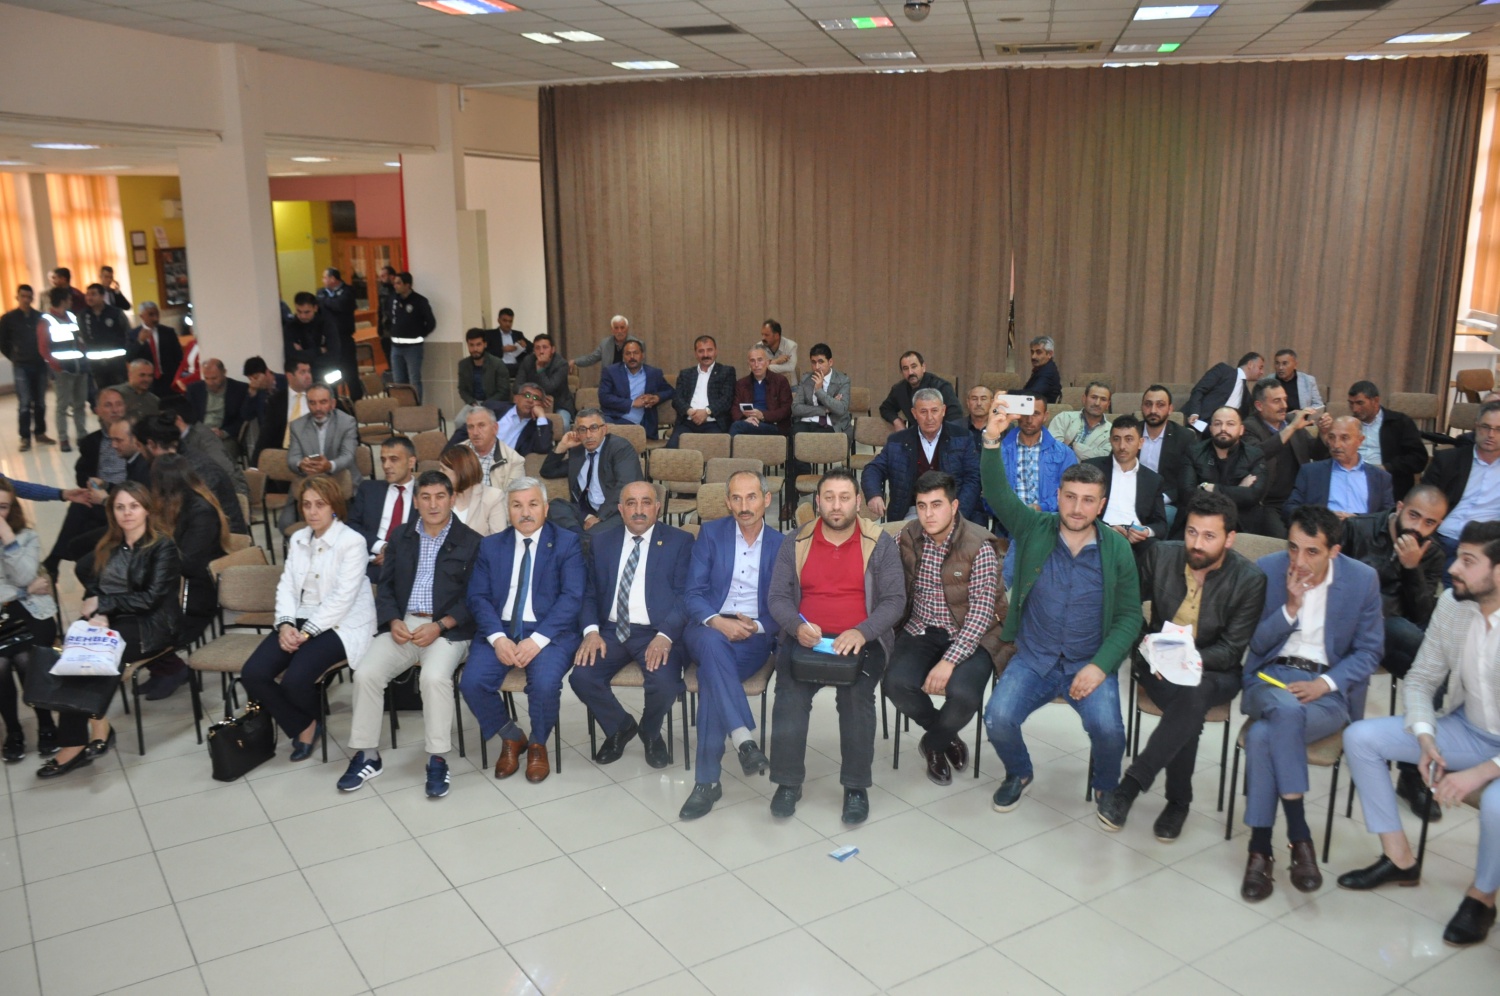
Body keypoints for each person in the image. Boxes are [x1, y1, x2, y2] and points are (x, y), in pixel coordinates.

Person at [1338, 520, 1500, 947]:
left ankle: (1482, 897)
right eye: (1458, 557)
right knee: (1361, 739)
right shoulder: (1454, 604)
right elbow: (1422, 678)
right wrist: (1426, 738)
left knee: (1496, 805)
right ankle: (1400, 859)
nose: (1453, 569)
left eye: (1468, 561)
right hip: (1469, 729)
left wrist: (1481, 772)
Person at [978, 399, 1140, 812]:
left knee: (1110, 732)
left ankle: (1105, 786)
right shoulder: (1035, 527)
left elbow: (1129, 617)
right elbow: (997, 494)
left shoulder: (1117, 549)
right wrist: (992, 439)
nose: (1077, 508)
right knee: (997, 718)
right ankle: (1019, 772)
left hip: (1089, 659)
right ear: (1058, 496)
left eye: (1088, 500)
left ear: (1101, 505)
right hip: (1034, 658)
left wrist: (1100, 666)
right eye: (1070, 497)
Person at [1096, 491, 1266, 838]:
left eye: (1209, 536)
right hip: (1157, 662)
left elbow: (1232, 649)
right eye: (1191, 532)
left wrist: (1185, 660)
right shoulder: (1160, 555)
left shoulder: (1250, 580)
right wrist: (1146, 647)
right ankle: (1178, 802)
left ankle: (1130, 786)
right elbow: (1126, 610)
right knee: (1189, 706)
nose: (1197, 544)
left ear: (1229, 539)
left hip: (1215, 670)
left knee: (1193, 694)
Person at [1238, 505, 1384, 902]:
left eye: (1312, 551)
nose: (1298, 561)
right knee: (1284, 710)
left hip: (1326, 690)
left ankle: (1260, 848)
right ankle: (1299, 835)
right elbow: (1254, 643)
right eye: (1293, 547)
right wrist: (1290, 608)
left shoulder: (1362, 580)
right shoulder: (1268, 570)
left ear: (1334, 551)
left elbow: (1369, 652)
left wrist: (1324, 683)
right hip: (1269, 679)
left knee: (1264, 736)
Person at [766, 470, 905, 825]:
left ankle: (855, 787)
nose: (837, 505)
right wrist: (797, 627)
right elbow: (778, 597)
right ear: (817, 502)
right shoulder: (796, 541)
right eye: (829, 498)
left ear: (858, 502)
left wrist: (862, 631)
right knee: (789, 695)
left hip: (862, 639)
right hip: (807, 637)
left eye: (845, 497)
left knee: (856, 698)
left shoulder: (879, 542)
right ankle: (788, 782)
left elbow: (894, 601)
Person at [338, 470, 482, 798]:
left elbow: (475, 599)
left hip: (448, 630)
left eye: (440, 496)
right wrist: (392, 620)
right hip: (404, 625)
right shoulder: (401, 536)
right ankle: (367, 755)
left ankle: (437, 758)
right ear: (415, 501)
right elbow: (386, 587)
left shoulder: (472, 541)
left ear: (452, 499)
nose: (433, 504)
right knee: (366, 674)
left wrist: (440, 625)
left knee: (433, 678)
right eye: (425, 497)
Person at [46, 482, 182, 778]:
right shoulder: (110, 544)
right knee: (73, 656)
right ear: (112, 512)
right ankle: (87, 734)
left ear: (147, 509)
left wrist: (105, 604)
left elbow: (151, 598)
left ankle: (87, 736)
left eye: (134, 506)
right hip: (116, 618)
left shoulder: (162, 546)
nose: (127, 513)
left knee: (97, 657)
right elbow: (91, 579)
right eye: (120, 507)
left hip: (151, 623)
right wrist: (100, 613)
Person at [241, 476, 377, 762]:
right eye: (306, 505)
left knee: (295, 680)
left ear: (334, 506)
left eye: (320, 504)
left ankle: (306, 729)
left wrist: (306, 633)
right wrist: (285, 625)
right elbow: (287, 587)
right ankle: (304, 723)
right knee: (253, 673)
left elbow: (343, 597)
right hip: (302, 616)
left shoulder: (352, 542)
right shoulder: (299, 538)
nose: (312, 512)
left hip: (343, 622)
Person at [460, 478, 586, 783]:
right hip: (500, 629)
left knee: (543, 684)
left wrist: (537, 641)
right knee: (472, 683)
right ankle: (511, 736)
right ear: (508, 509)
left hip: (550, 632)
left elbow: (572, 597)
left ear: (545, 508)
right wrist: (497, 638)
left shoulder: (567, 543)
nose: (525, 512)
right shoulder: (491, 545)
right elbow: (477, 597)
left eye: (532, 504)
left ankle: (538, 744)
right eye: (517, 505)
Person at [886, 470, 1006, 786]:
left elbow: (981, 614)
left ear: (954, 506)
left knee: (964, 695)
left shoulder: (979, 545)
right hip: (921, 627)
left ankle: (933, 744)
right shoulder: (907, 536)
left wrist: (949, 661)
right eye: (922, 506)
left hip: (971, 633)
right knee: (895, 684)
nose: (928, 514)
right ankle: (945, 735)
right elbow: (879, 569)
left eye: (937, 505)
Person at [1339, 486, 1450, 819]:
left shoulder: (1432, 552)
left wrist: (1412, 568)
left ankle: (1411, 774)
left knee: (1433, 675)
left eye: (1430, 523)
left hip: (1391, 636)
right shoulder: (1358, 529)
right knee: (1418, 646)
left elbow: (1422, 614)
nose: (1418, 527)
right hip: (1345, 625)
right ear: (1399, 507)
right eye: (1414, 515)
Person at [678, 471, 784, 820]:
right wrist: (717, 621)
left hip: (752, 637)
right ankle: (743, 739)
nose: (744, 506)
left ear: (766, 499)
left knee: (712, 677)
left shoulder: (782, 544)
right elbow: (692, 594)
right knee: (712, 644)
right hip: (707, 627)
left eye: (751, 497)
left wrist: (758, 626)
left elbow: (785, 605)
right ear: (727, 502)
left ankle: (707, 783)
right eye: (736, 498)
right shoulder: (711, 534)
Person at [571, 481, 693, 768]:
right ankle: (619, 726)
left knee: (665, 684)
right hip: (611, 630)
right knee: (582, 677)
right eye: (631, 503)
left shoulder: (680, 541)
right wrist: (591, 632)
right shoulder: (601, 541)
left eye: (646, 502)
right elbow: (589, 592)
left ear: (657, 507)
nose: (639, 510)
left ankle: (650, 733)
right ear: (620, 509)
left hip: (657, 632)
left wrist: (665, 635)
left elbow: (686, 597)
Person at [149, 454, 229, 695]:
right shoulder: (171, 506)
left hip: (197, 591)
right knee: (126, 606)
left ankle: (170, 668)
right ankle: (163, 668)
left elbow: (189, 564)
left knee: (142, 616)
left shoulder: (200, 511)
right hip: (177, 584)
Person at [0, 480, 60, 763]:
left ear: (12, 508)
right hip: (9, 611)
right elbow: (25, 584)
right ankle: (13, 731)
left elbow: (25, 575)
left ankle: (46, 724)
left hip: (31, 613)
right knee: (0, 664)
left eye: (3, 507)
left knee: (26, 657)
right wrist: (23, 591)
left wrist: (8, 540)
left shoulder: (26, 536)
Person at [861, 387, 982, 524]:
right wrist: (874, 494)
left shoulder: (962, 437)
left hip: (952, 509)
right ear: (914, 413)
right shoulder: (898, 441)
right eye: (923, 412)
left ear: (943, 411)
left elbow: (973, 478)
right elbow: (873, 469)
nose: (929, 418)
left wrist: (958, 512)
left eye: (934, 411)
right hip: (911, 511)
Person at [134, 412, 248, 536]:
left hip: (219, 537)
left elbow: (202, 519)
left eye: (139, 446)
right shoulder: (169, 464)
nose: (139, 452)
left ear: (151, 445)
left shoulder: (198, 469)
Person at [1242, 377, 1323, 538]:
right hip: (1268, 503)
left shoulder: (1290, 421)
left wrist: (1324, 435)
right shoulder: (1249, 427)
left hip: (1299, 498)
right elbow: (1259, 454)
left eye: (1285, 399)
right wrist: (1291, 428)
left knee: (1316, 535)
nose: (1284, 406)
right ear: (1259, 405)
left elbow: (1316, 453)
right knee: (1282, 539)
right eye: (1276, 401)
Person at [540, 408, 642, 534]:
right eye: (582, 429)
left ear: (604, 429)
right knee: (555, 506)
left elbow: (624, 488)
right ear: (577, 432)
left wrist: (600, 517)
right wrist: (562, 446)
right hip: (586, 512)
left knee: (595, 533)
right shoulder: (578, 451)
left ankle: (578, 538)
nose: (588, 435)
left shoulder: (620, 448)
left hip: (615, 512)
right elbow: (548, 471)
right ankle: (579, 536)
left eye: (594, 428)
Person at [1425, 400, 1500, 560]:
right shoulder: (1448, 460)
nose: (1491, 434)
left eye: (1498, 429)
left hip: (1485, 546)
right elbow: (1423, 500)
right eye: (1485, 427)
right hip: (1442, 538)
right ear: (1476, 426)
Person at [785, 343, 852, 518]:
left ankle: (817, 494)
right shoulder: (806, 378)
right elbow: (796, 408)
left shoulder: (842, 380)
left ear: (830, 362)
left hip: (830, 426)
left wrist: (820, 391)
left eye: (821, 362)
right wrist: (825, 408)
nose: (817, 367)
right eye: (813, 362)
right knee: (793, 443)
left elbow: (841, 409)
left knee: (808, 443)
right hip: (807, 423)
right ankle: (791, 501)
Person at [1180, 407, 1270, 536]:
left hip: (1240, 524)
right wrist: (1238, 489)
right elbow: (1187, 494)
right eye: (1217, 424)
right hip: (1200, 521)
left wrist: (1211, 488)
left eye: (1230, 424)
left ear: (1241, 430)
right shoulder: (1194, 452)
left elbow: (1253, 495)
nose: (1223, 428)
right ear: (1211, 429)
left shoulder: (1254, 455)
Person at [1284, 416, 1395, 520]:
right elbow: (1289, 509)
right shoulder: (1310, 472)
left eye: (1344, 438)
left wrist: (1358, 520)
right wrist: (1322, 518)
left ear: (1360, 441)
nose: (1336, 445)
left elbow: (1388, 517)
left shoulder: (1380, 477)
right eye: (1331, 437)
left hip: (1362, 532)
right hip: (1322, 531)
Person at [1086, 414, 1168, 552]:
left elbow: (1161, 524)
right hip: (1101, 532)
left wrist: (1145, 531)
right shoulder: (1092, 468)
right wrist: (1105, 529)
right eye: (1116, 439)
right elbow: (1082, 510)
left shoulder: (1153, 480)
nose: (1122, 446)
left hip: (1136, 538)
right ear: (1110, 441)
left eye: (1129, 439)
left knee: (1156, 549)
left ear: (1141, 442)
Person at [346, 435, 419, 582]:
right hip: (369, 561)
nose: (386, 466)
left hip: (407, 565)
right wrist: (382, 546)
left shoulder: (425, 495)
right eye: (383, 460)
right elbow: (351, 525)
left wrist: (396, 554)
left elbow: (429, 535)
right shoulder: (369, 489)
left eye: (394, 459)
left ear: (411, 462)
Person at [1346, 381, 1430, 500]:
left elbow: (1418, 459)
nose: (1355, 409)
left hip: (1387, 481)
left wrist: (1387, 468)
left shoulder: (1399, 423)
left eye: (1360, 403)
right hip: (1351, 478)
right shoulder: (1348, 425)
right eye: (1351, 403)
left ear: (1375, 401)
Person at [37, 286, 90, 453]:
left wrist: (84, 357)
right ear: (62, 300)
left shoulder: (72, 317)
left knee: (80, 404)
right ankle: (63, 438)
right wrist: (56, 366)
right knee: (63, 406)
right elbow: (43, 348)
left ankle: (82, 435)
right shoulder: (47, 321)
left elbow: (80, 340)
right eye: (69, 299)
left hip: (79, 367)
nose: (71, 302)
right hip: (62, 370)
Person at [0, 284, 53, 452]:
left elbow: (47, 339)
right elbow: (3, 343)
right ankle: (25, 437)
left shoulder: (40, 317)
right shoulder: (8, 318)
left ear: (32, 298)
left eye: (29, 297)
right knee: (24, 402)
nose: (26, 300)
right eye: (23, 296)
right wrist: (15, 357)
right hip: (21, 365)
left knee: (40, 402)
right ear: (17, 297)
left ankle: (40, 433)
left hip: (39, 364)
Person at [286, 383, 362, 489]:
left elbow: (348, 456)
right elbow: (292, 458)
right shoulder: (297, 426)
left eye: (323, 402)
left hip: (342, 481)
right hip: (310, 483)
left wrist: (329, 466)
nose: (318, 408)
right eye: (312, 403)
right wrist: (300, 465)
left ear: (333, 403)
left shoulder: (347, 422)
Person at [1139, 386, 1194, 526]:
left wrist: (1159, 499)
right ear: (1142, 407)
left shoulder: (1184, 437)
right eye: (1148, 404)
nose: (1153, 410)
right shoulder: (1130, 433)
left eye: (1160, 405)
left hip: (1165, 502)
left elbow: (1186, 481)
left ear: (1170, 409)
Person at [599, 338, 674, 440]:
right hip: (614, 419)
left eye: (635, 353)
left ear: (642, 355)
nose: (632, 357)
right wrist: (632, 403)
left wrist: (657, 397)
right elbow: (604, 397)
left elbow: (670, 391)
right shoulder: (611, 372)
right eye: (628, 354)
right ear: (623, 356)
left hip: (641, 424)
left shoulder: (654, 373)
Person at [668, 335, 736, 446]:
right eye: (701, 351)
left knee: (714, 451)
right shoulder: (686, 374)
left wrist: (706, 412)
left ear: (716, 351)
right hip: (687, 423)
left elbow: (726, 399)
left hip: (714, 423)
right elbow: (676, 399)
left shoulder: (726, 372)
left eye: (709, 350)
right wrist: (691, 412)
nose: (705, 355)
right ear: (695, 354)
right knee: (671, 450)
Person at [251, 356, 314, 463]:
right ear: (289, 376)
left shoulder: (319, 396)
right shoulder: (276, 401)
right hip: (284, 453)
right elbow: (266, 434)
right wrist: (254, 465)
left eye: (309, 371)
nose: (308, 376)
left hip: (313, 452)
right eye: (303, 372)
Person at [185, 359, 249, 461]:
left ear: (224, 372)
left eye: (214, 378)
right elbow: (188, 416)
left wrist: (223, 433)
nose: (210, 383)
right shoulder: (194, 389)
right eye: (206, 378)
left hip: (225, 437)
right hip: (199, 434)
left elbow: (242, 418)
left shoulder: (239, 389)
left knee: (221, 457)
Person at [878, 350, 960, 429]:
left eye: (914, 366)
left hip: (940, 433)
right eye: (905, 368)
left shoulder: (941, 386)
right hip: (915, 434)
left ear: (923, 367)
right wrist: (896, 421)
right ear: (901, 372)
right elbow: (885, 408)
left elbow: (955, 416)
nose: (910, 372)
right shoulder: (899, 389)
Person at [441, 445, 510, 536]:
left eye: (443, 469)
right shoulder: (440, 497)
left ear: (459, 471)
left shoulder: (493, 497)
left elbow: (498, 539)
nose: (440, 472)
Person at [387, 271, 436, 399]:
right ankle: (403, 407)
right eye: (394, 283)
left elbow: (431, 323)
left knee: (414, 380)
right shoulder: (393, 299)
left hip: (413, 348)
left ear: (407, 285)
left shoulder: (419, 301)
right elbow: (388, 317)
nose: (395, 286)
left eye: (398, 283)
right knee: (398, 381)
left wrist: (419, 333)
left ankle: (416, 407)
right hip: (395, 347)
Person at [1185, 352, 1265, 429]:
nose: (1262, 372)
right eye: (1260, 367)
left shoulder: (1246, 395)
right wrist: (1194, 413)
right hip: (1199, 422)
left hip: (1224, 432)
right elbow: (1199, 390)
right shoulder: (1223, 370)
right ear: (1250, 364)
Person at [317, 267, 362, 400]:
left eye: (325, 277)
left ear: (332, 279)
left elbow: (340, 305)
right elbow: (319, 306)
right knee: (331, 375)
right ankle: (335, 402)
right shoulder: (321, 292)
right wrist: (328, 302)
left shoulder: (348, 291)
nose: (323, 280)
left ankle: (357, 404)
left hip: (344, 339)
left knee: (350, 374)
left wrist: (325, 301)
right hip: (329, 341)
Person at [730, 345, 792, 437]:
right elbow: (734, 409)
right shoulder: (741, 383)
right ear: (748, 364)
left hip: (773, 424)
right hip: (749, 423)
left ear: (767, 362)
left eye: (760, 360)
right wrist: (746, 419)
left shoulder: (780, 381)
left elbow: (786, 410)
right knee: (738, 425)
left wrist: (762, 415)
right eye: (752, 361)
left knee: (737, 427)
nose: (756, 364)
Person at [454, 328, 511, 429]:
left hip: (494, 403)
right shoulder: (463, 365)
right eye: (471, 345)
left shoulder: (497, 364)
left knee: (488, 424)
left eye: (478, 344)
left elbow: (504, 391)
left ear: (485, 344)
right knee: (459, 422)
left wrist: (486, 404)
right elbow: (462, 389)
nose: (475, 349)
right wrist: (472, 402)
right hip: (473, 404)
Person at [79, 283, 131, 391]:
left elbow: (128, 333)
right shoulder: (83, 315)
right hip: (95, 364)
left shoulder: (116, 313)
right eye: (87, 294)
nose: (89, 297)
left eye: (93, 294)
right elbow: (81, 336)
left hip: (117, 363)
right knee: (102, 392)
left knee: (120, 390)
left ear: (102, 296)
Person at [282, 291, 340, 388]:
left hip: (326, 375)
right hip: (302, 380)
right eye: (299, 311)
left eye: (307, 312)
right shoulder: (290, 328)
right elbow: (291, 356)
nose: (302, 316)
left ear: (315, 308)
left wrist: (303, 354)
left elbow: (334, 354)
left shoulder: (327, 324)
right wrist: (319, 351)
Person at [460, 407, 526, 491]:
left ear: (495, 428)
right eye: (471, 427)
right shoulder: (455, 455)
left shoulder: (514, 461)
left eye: (481, 425)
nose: (475, 432)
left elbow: (514, 496)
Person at [518, 333, 574, 431]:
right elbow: (517, 386)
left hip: (559, 404)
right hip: (533, 402)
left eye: (545, 347)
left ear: (553, 349)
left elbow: (549, 387)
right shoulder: (528, 361)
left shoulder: (561, 364)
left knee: (562, 425)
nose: (541, 352)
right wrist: (538, 397)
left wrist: (540, 369)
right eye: (537, 348)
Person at [1047, 381, 1114, 461]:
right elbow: (1052, 449)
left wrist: (1073, 445)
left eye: (1103, 399)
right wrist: (1092, 452)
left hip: (1092, 469)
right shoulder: (1063, 418)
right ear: (1084, 399)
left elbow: (1104, 458)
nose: (1097, 403)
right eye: (1093, 397)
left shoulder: (1112, 431)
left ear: (1108, 404)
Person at [128, 299, 182, 397]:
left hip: (168, 379)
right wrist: (139, 342)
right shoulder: (133, 334)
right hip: (146, 381)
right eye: (151, 315)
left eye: (157, 314)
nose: (155, 318)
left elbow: (178, 356)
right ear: (142, 316)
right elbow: (130, 357)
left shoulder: (168, 332)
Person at [491, 383, 554, 457]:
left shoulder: (541, 424)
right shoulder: (494, 408)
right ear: (516, 398)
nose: (530, 400)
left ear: (541, 405)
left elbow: (543, 448)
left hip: (506, 462)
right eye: (527, 395)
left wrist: (541, 415)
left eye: (535, 398)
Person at [1271, 348, 1323, 412]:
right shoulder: (1268, 381)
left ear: (1295, 365)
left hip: (1301, 416)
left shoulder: (1308, 380)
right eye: (1277, 363)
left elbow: (1318, 405)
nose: (1280, 367)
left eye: (1285, 363)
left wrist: (1303, 412)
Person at [111, 358, 161, 422]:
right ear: (130, 374)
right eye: (142, 375)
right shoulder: (113, 394)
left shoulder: (154, 400)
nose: (147, 379)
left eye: (150, 375)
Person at [1021, 335, 1063, 404]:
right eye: (1032, 352)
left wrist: (1007, 393)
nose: (1033, 356)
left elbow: (1033, 394)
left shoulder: (1048, 372)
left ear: (1049, 354)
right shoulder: (1041, 369)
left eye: (1038, 352)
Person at [488, 307, 529, 376]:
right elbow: (486, 352)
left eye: (510, 321)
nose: (508, 324)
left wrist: (524, 346)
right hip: (498, 367)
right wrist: (502, 350)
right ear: (498, 320)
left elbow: (532, 347)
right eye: (505, 321)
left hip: (516, 367)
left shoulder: (518, 334)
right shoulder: (490, 334)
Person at [963, 385, 993, 449]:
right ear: (968, 402)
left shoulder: (1003, 428)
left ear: (992, 402)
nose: (979, 403)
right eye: (974, 399)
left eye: (983, 399)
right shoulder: (955, 427)